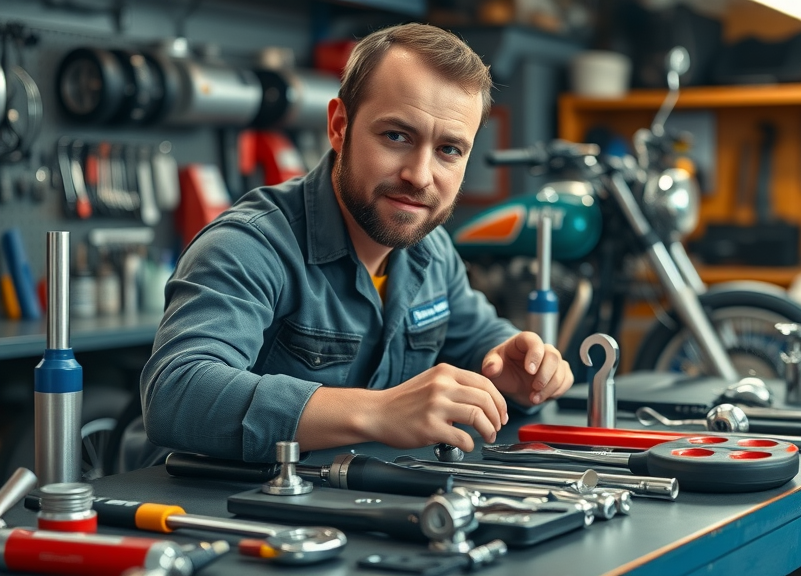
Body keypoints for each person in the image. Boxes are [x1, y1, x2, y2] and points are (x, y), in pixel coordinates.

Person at [140, 23, 573, 463]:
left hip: (352, 506)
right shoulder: (250, 245)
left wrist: (514, 365)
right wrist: (379, 412)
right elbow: (177, 393)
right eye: (396, 136)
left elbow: (481, 337)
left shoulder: (431, 251)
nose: (420, 176)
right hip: (217, 514)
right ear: (339, 127)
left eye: (448, 150)